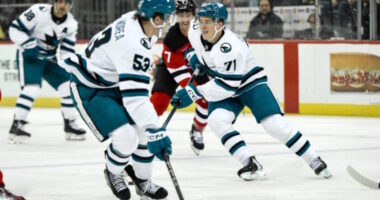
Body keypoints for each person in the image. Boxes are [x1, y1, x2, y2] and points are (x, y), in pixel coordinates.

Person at [171, 2, 332, 181]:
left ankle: (314, 159)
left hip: (250, 84)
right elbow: (197, 48)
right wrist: (194, 56)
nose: (203, 25)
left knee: (275, 125)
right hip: (225, 84)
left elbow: (228, 86)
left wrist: (193, 92)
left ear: (220, 24)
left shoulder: (231, 47)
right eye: (201, 21)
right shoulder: (195, 30)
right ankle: (250, 162)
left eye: (208, 21)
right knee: (217, 120)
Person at [58, 0, 175, 199]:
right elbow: (136, 99)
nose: (169, 22)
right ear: (156, 19)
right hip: (89, 87)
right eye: (168, 17)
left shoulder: (133, 19)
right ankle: (113, 172)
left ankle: (143, 181)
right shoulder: (133, 46)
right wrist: (156, 130)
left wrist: (151, 129)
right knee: (126, 138)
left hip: (112, 82)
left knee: (144, 131)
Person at [8, 0, 86, 144]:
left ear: (70, 6)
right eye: (60, 2)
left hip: (49, 59)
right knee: (32, 88)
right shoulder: (38, 11)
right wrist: (28, 44)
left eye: (66, 3)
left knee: (67, 85)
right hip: (29, 56)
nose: (63, 6)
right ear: (55, 2)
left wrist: (69, 65)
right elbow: (14, 29)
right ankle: (17, 125)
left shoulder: (71, 24)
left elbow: (66, 51)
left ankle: (70, 123)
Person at [150, 0, 209, 156]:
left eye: (188, 15)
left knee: (206, 101)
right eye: (181, 15)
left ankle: (197, 130)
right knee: (158, 101)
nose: (184, 19)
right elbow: (176, 68)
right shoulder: (172, 38)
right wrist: (191, 90)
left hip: (198, 70)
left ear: (194, 16)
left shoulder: (203, 32)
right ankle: (145, 133)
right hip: (170, 70)